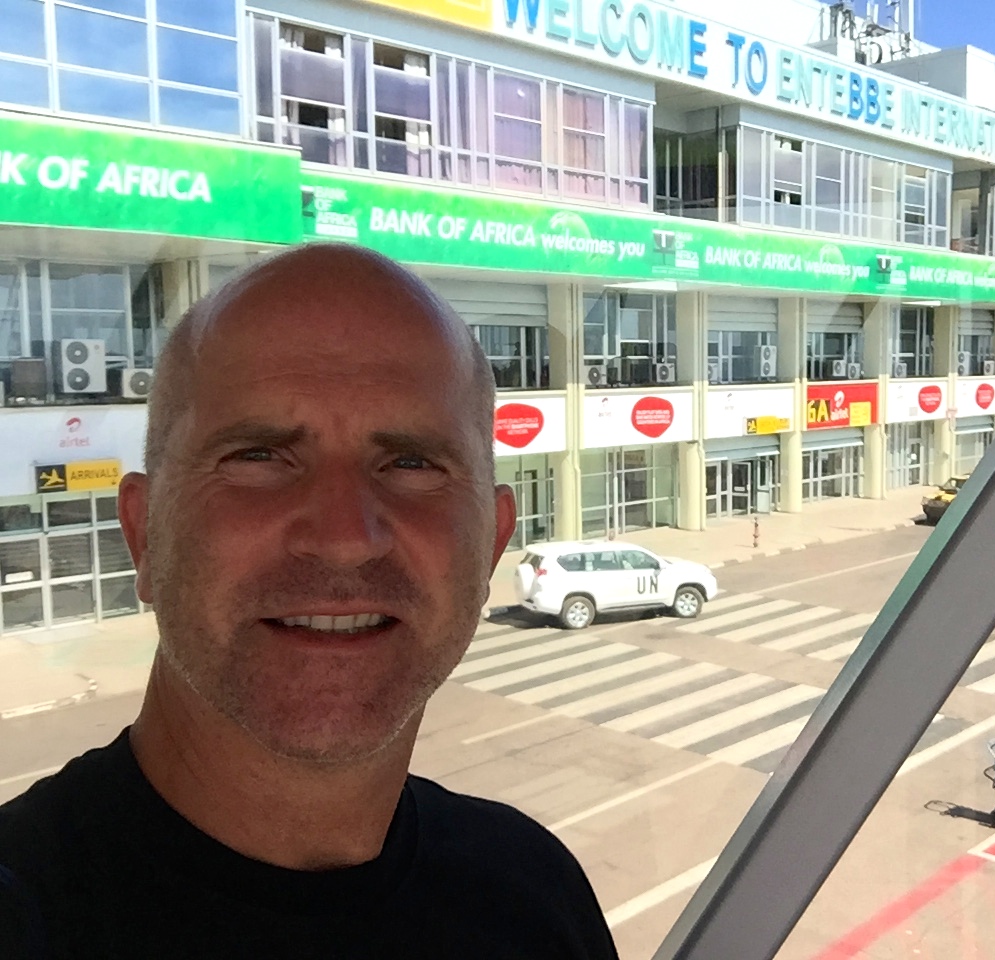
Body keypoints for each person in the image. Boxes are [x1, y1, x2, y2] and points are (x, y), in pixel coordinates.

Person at [0, 245, 619, 959]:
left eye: (411, 462)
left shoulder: (535, 894)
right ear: (145, 535)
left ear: (489, 545)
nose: (345, 539)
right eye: (258, 456)